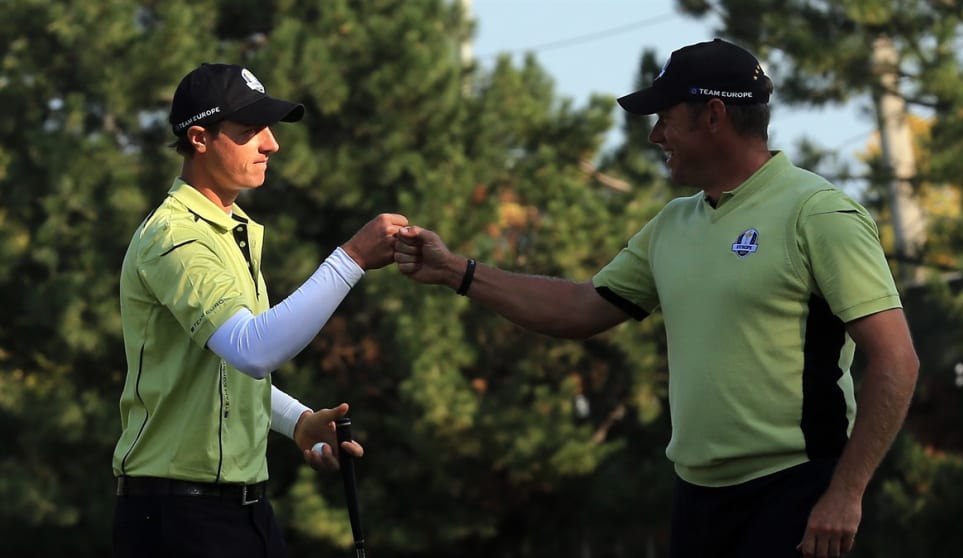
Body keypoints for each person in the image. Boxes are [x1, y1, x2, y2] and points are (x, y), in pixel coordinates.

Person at [394, 39, 919, 558]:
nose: (654, 135)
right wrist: (455, 271)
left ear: (714, 115)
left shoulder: (819, 213)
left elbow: (896, 360)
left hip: (797, 492)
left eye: (665, 119)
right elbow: (578, 308)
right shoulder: (673, 223)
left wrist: (846, 492)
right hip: (697, 499)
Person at [112, 63, 408, 558]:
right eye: (250, 130)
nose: (271, 144)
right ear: (199, 138)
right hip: (177, 517)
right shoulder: (175, 236)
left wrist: (297, 421)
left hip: (240, 512)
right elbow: (253, 351)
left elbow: (222, 377)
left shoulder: (229, 230)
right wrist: (352, 258)